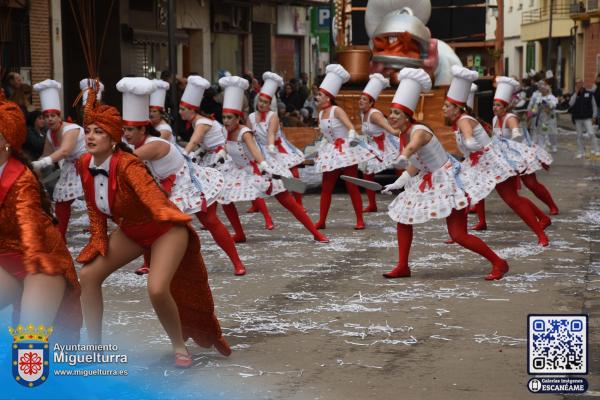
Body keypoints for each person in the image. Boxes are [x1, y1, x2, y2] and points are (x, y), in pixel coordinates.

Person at [76, 87, 231, 368]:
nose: (90, 136)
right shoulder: (84, 163)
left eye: (98, 131)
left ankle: (179, 346)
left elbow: (149, 194)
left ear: (114, 139)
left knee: (157, 288)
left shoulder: (128, 164)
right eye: (87, 130)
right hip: (133, 230)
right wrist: (98, 238)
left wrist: (165, 210)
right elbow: (93, 206)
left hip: (165, 229)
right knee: (87, 275)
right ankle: (94, 347)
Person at [381, 68, 509, 281]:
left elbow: (413, 148)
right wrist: (399, 181)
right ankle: (403, 265)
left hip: (449, 181)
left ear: (407, 116)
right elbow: (416, 164)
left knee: (458, 235)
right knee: (403, 218)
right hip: (430, 179)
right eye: (391, 112)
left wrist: (403, 156)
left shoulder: (419, 131)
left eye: (396, 113)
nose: (391, 117)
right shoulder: (404, 134)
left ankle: (499, 262)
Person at [129, 75, 245, 276]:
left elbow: (192, 143)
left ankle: (237, 262)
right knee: (153, 221)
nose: (126, 134)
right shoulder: (143, 141)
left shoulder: (156, 141)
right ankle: (149, 262)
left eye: (129, 130)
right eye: (124, 130)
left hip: (189, 180)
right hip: (174, 179)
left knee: (210, 221)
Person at [0, 95, 82, 343]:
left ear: (5, 141)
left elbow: (28, 226)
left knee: (28, 343)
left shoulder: (21, 179)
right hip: (6, 258)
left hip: (41, 261)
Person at [443, 66, 550, 246]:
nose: (443, 109)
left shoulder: (463, 121)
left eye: (446, 106)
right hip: (479, 163)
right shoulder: (459, 122)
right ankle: (460, 234)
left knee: (512, 200)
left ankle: (541, 234)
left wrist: (476, 147)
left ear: (456, 108)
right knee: (462, 193)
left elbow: (469, 141)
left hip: (492, 162)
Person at [218, 75, 329, 244]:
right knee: (225, 198)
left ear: (238, 118)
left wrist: (264, 164)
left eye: (229, 117)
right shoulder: (229, 129)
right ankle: (239, 233)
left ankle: (315, 233)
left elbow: (255, 149)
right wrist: (222, 153)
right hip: (239, 170)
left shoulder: (245, 131)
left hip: (260, 166)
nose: (225, 121)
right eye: (224, 117)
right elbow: (227, 146)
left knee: (287, 201)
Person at [313, 64, 376, 230]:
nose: (316, 97)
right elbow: (327, 134)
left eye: (319, 95)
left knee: (351, 184)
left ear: (328, 97)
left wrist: (351, 139)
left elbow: (350, 127)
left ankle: (360, 220)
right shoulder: (320, 114)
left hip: (345, 150)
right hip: (331, 151)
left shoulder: (336, 110)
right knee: (326, 187)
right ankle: (322, 220)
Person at [492, 77, 559, 217]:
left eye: (499, 105)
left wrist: (515, 131)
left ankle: (552, 206)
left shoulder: (510, 118)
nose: (495, 108)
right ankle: (524, 208)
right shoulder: (494, 119)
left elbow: (516, 134)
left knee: (531, 184)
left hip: (520, 156)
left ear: (506, 107)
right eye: (494, 105)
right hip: (506, 158)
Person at [31, 79, 86, 239]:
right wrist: (32, 169)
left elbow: (64, 151)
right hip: (71, 168)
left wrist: (43, 162)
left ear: (59, 116)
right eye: (46, 116)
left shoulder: (71, 129)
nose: (49, 119)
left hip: (89, 164)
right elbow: (46, 154)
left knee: (96, 201)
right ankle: (59, 237)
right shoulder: (49, 134)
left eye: (53, 116)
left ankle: (101, 233)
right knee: (61, 201)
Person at [248, 72, 306, 209]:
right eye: (260, 101)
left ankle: (299, 203)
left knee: (294, 173)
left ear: (270, 104)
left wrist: (271, 146)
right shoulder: (250, 117)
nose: (262, 104)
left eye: (265, 102)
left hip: (278, 147)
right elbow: (248, 135)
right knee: (254, 174)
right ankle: (256, 204)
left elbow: (271, 134)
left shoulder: (272, 116)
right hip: (261, 149)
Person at [357, 73, 401, 213]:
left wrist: (399, 134)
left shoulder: (374, 114)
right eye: (360, 99)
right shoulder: (362, 114)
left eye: (364, 99)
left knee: (400, 169)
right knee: (367, 172)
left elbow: (389, 128)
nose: (361, 101)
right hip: (372, 146)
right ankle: (372, 204)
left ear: (371, 103)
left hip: (387, 144)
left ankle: (404, 200)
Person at [569, 78, 600, 158]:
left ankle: (596, 150)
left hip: (587, 117)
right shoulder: (575, 94)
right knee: (579, 135)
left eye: (580, 83)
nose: (578, 84)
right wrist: (576, 94)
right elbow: (570, 103)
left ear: (583, 84)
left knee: (591, 133)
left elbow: (594, 106)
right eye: (577, 83)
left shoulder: (589, 94)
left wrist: (594, 116)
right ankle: (580, 151)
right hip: (577, 118)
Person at [528, 81, 558, 153]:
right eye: (541, 89)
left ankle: (554, 145)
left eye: (543, 89)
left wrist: (546, 103)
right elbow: (535, 107)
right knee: (542, 133)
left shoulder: (551, 97)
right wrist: (532, 111)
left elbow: (553, 106)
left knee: (552, 133)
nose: (542, 91)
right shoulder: (539, 97)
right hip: (542, 119)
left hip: (550, 119)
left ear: (547, 90)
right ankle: (541, 147)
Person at [149, 79, 177, 144]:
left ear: (161, 114)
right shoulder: (151, 124)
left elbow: (154, 146)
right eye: (150, 111)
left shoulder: (165, 129)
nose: (151, 114)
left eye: (154, 111)